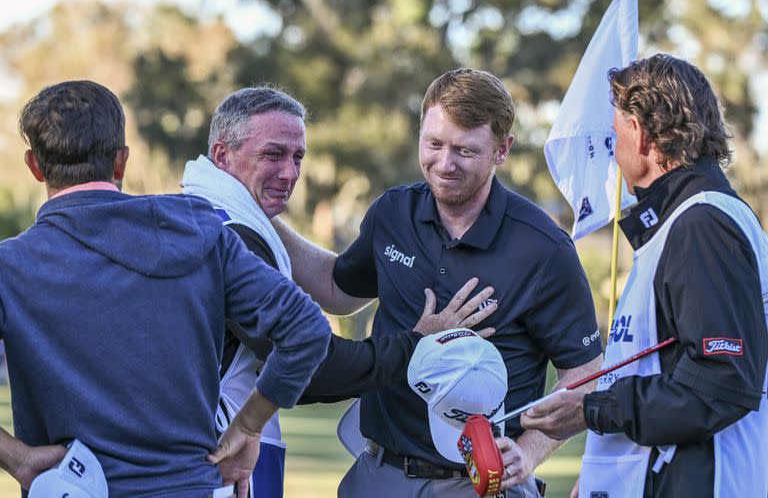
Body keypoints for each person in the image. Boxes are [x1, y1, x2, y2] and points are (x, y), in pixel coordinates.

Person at [272, 68, 604, 497]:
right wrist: (260, 215)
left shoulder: (543, 246)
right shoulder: (393, 213)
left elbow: (585, 370)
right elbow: (337, 290)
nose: (444, 164)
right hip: (379, 472)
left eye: (466, 150)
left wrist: (530, 450)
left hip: (481, 483)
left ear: (502, 150)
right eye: (434, 144)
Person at [1, 80, 333, 498]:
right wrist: (248, 426)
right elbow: (306, 330)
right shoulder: (199, 230)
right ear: (121, 162)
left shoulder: (11, 265)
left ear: (34, 166)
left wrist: (17, 457)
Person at [180, 86, 498, 498]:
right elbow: (309, 365)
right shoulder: (231, 235)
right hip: (222, 457)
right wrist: (416, 345)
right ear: (222, 156)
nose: (290, 173)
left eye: (298, 157)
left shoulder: (202, 211)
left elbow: (336, 289)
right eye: (273, 154)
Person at [520, 54, 768, 498]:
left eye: (615, 133)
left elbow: (722, 384)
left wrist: (590, 410)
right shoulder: (685, 221)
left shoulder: (702, 224)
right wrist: (602, 472)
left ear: (639, 132)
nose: (613, 151)